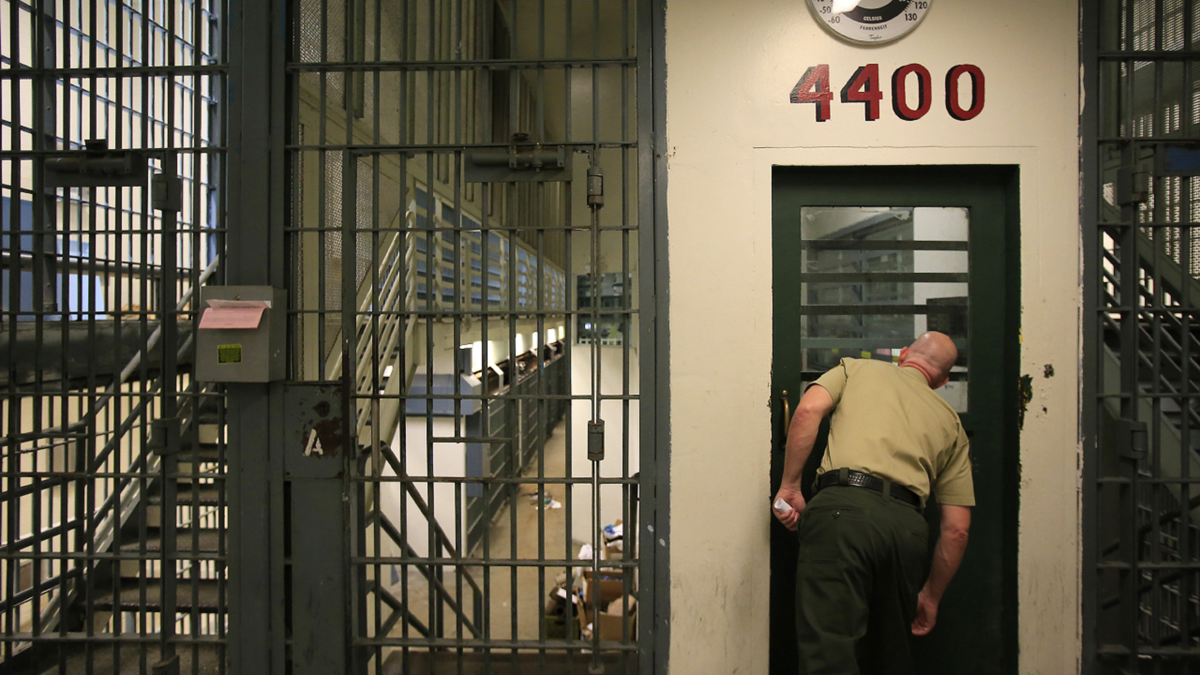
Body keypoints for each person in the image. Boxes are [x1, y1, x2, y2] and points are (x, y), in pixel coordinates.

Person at [772, 331, 973, 675]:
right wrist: (931, 596)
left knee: (829, 650)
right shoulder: (952, 424)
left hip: (842, 513)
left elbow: (806, 410)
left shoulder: (856, 369)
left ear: (904, 354)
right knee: (890, 655)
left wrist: (790, 486)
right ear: (941, 381)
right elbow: (956, 530)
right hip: (908, 530)